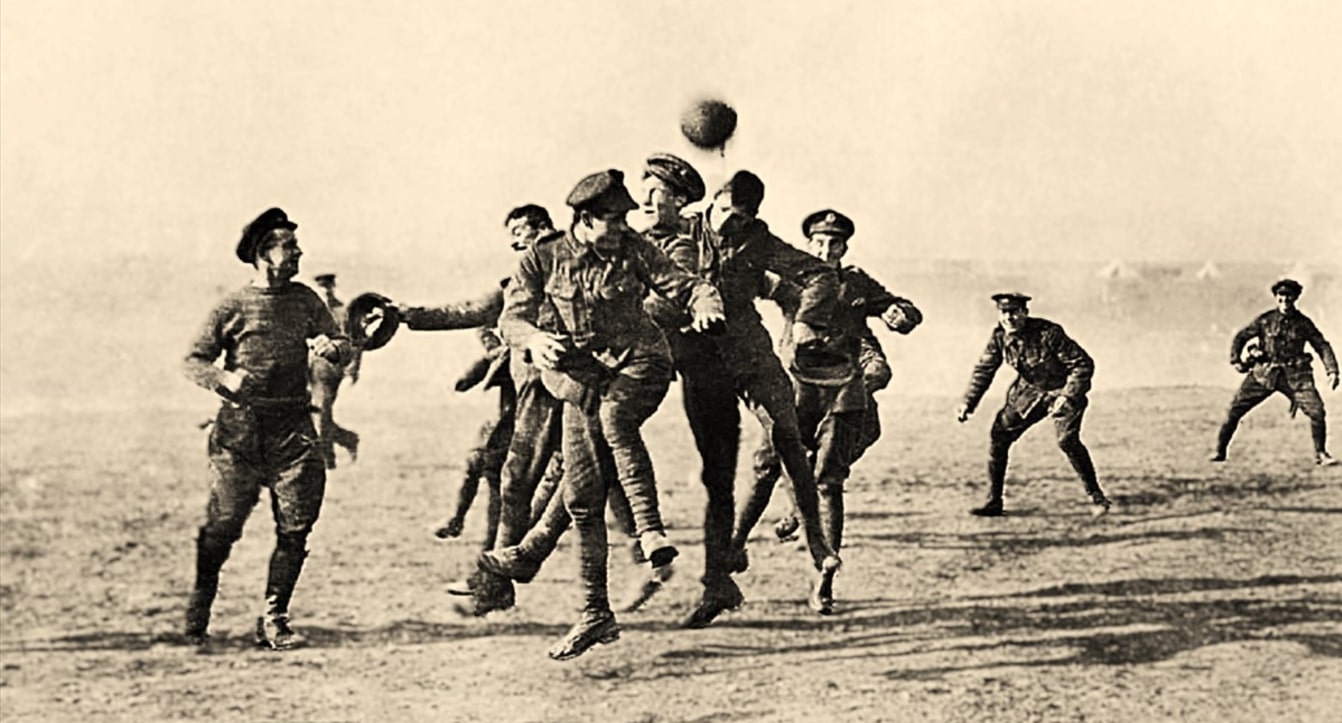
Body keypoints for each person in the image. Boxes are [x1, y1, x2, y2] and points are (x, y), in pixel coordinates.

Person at [497, 168, 725, 660]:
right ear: (584, 219)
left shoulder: (635, 250)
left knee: (615, 422)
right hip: (583, 380)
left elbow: (687, 285)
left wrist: (707, 306)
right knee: (582, 499)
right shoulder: (542, 258)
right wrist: (534, 340)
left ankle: (650, 532)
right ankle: (594, 613)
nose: (624, 226)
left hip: (642, 363)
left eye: (626, 217)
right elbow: (510, 318)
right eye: (613, 219)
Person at [640, 168, 843, 629]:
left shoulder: (759, 239)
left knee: (789, 439)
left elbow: (818, 274)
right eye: (728, 211)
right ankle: (718, 584)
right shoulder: (678, 233)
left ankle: (819, 548)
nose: (734, 222)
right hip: (702, 367)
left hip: (752, 356)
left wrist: (808, 318)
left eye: (744, 215)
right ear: (714, 200)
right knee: (719, 477)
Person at [182, 208, 353, 649]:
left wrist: (330, 348)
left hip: (292, 429)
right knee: (223, 526)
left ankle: (274, 617)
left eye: (297, 246)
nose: (299, 253)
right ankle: (201, 603)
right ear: (264, 253)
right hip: (238, 434)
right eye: (290, 246)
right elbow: (194, 360)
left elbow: (342, 346)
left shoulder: (306, 300)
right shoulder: (232, 306)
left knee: (296, 527)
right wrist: (223, 380)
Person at [739, 209, 922, 614]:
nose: (825, 250)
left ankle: (825, 580)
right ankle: (734, 546)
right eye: (818, 243)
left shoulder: (855, 283)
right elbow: (743, 286)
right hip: (793, 390)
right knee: (766, 467)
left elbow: (901, 307)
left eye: (833, 244)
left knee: (828, 481)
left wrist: (902, 315)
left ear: (843, 248)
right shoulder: (790, 280)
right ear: (808, 246)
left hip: (840, 392)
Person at [956, 292, 1111, 518]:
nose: (1009, 318)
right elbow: (984, 370)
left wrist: (1066, 397)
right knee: (999, 436)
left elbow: (1082, 365)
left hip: (1063, 388)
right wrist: (968, 403)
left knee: (1067, 441)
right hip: (1028, 392)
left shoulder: (1049, 333)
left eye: (1015, 312)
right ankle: (994, 502)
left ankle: (1097, 497)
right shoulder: (999, 337)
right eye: (1004, 313)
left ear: (1025, 313)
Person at [1211, 278, 1339, 466]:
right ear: (1276, 298)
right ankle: (1219, 451)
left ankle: (1321, 453)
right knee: (1234, 410)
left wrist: (1332, 371)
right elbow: (1242, 336)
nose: (1284, 300)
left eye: (1288, 296)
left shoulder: (1303, 323)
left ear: (1295, 298)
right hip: (1264, 374)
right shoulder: (1265, 320)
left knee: (1317, 412)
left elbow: (1321, 345)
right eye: (1281, 297)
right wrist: (1236, 360)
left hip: (1296, 377)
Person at [309, 273, 362, 469]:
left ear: (333, 287)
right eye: (321, 288)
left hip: (331, 371)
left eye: (327, 287)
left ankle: (326, 460)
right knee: (312, 413)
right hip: (308, 370)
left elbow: (354, 344)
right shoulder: (312, 312)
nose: (325, 292)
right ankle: (347, 439)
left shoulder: (343, 312)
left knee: (322, 412)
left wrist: (351, 371)